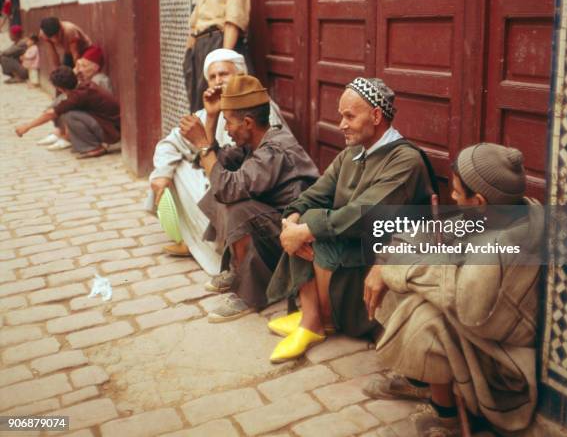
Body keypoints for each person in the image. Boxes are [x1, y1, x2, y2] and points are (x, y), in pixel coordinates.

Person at [364, 143, 543, 435]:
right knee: (402, 268)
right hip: (477, 326)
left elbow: (465, 306)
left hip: (504, 361)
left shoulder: (499, 249)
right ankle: (422, 382)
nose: (453, 196)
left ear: (480, 201)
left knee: (422, 315)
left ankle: (447, 418)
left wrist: (395, 269)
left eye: (458, 193)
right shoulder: (502, 211)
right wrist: (386, 260)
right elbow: (425, 237)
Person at [265, 77, 437, 363]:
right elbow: (316, 193)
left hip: (379, 259)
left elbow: (364, 215)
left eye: (349, 116)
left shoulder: (405, 161)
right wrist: (292, 220)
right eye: (341, 115)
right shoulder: (352, 153)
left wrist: (305, 229)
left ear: (376, 116)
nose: (341, 124)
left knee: (314, 227)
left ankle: (316, 323)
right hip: (354, 247)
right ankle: (313, 316)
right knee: (307, 219)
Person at [179, 74, 319, 322]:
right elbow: (216, 165)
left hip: (296, 240)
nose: (227, 130)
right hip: (275, 227)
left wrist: (202, 142)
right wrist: (210, 119)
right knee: (221, 188)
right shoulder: (255, 143)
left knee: (235, 204)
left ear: (247, 122)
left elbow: (227, 186)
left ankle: (249, 291)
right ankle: (239, 270)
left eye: (227, 123)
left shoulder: (274, 150)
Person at [145, 49, 285, 272]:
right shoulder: (206, 112)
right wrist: (162, 174)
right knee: (173, 167)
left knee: (191, 173)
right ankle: (191, 239)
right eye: (212, 77)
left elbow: (252, 173)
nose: (218, 81)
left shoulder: (262, 110)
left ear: (240, 76)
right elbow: (169, 143)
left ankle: (210, 249)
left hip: (246, 196)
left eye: (224, 74)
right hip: (223, 187)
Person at [184, 0, 251, 112]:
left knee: (222, 102)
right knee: (200, 103)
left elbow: (232, 23)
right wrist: (190, 53)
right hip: (199, 50)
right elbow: (196, 23)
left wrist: (223, 58)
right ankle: (202, 139)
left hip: (218, 46)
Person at [15, 66, 120, 159]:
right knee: (68, 112)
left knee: (70, 115)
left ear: (60, 88)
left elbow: (51, 113)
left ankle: (93, 148)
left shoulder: (78, 96)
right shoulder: (84, 85)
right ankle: (79, 141)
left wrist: (27, 127)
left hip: (112, 130)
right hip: (111, 125)